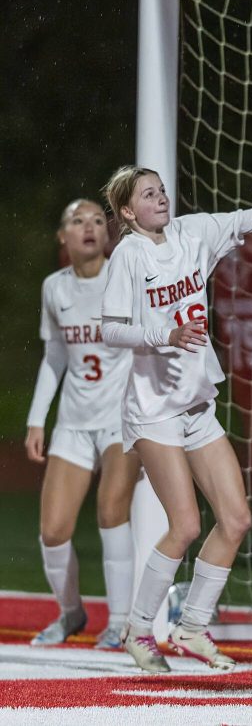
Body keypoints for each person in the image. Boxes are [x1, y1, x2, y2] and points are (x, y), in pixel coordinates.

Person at [100, 120, 252, 673]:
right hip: (154, 412)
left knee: (236, 519)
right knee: (186, 525)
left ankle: (190, 628)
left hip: (197, 407)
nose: (159, 197)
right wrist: (163, 334)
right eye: (147, 194)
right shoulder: (129, 257)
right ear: (127, 213)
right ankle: (139, 632)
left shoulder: (193, 233)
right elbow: (111, 329)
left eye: (161, 188)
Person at [24, 199, 138, 650]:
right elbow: (55, 357)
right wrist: (37, 420)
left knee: (112, 510)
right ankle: (71, 612)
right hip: (73, 421)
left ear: (106, 234)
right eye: (77, 220)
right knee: (53, 530)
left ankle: (122, 622)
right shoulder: (55, 288)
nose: (89, 227)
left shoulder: (126, 279)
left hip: (120, 419)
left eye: (96, 220)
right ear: (63, 237)